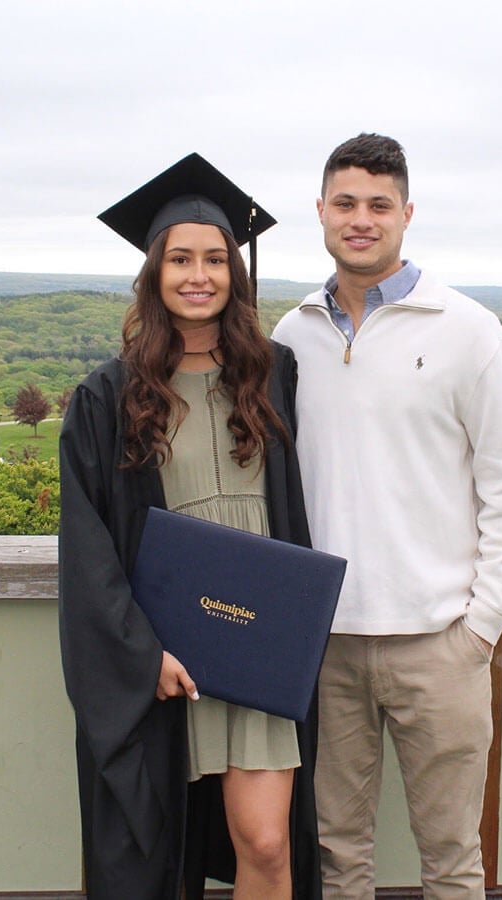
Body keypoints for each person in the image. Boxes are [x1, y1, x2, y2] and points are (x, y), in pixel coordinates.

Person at [273, 133, 502, 900]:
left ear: (407, 214)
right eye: (346, 203)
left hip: (441, 647)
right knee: (337, 857)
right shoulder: (292, 336)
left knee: (452, 860)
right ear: (321, 210)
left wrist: (480, 628)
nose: (362, 219)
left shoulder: (467, 331)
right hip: (323, 649)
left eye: (379, 205)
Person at [58, 153, 322, 900]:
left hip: (260, 647)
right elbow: (88, 548)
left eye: (214, 258)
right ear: (155, 272)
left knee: (267, 844)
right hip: (166, 656)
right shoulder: (108, 397)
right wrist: (143, 654)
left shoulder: (276, 374)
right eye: (180, 259)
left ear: (235, 274)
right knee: (159, 856)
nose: (198, 274)